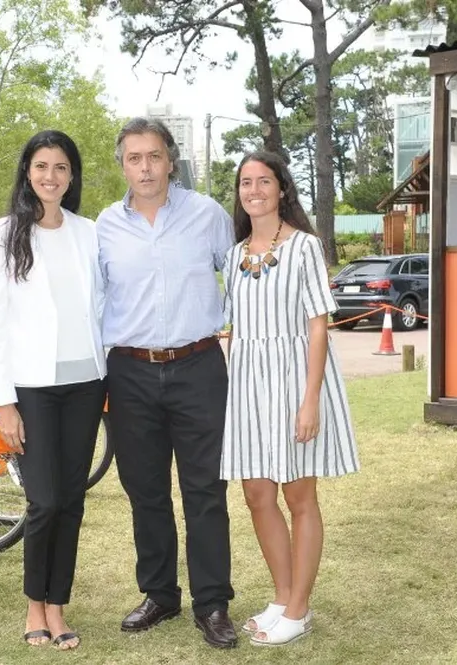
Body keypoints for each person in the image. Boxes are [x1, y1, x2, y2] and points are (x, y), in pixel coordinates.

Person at [97, 117, 238, 649]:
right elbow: (94, 302)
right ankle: (159, 593)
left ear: (170, 160)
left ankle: (213, 602)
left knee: (205, 490)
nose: (145, 167)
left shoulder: (207, 215)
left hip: (199, 366)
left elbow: (242, 276)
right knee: (146, 491)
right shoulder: (105, 226)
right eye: (134, 158)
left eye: (154, 156)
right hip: (130, 371)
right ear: (124, 166)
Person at [220, 151, 359, 647]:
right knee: (257, 494)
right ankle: (281, 597)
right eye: (245, 182)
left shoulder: (304, 247)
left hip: (295, 380)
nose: (253, 190)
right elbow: (236, 327)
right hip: (249, 385)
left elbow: (317, 325)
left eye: (263, 181)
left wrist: (310, 400)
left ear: (282, 189)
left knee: (300, 496)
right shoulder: (235, 255)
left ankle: (299, 608)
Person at [0, 129, 106, 651]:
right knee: (45, 501)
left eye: (60, 167)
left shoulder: (89, 232)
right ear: (27, 173)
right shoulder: (0, 235)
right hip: (31, 387)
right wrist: (4, 401)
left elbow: (101, 309)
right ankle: (34, 603)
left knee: (72, 501)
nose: (50, 176)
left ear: (71, 176)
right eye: (41, 166)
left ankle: (58, 606)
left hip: (85, 383)